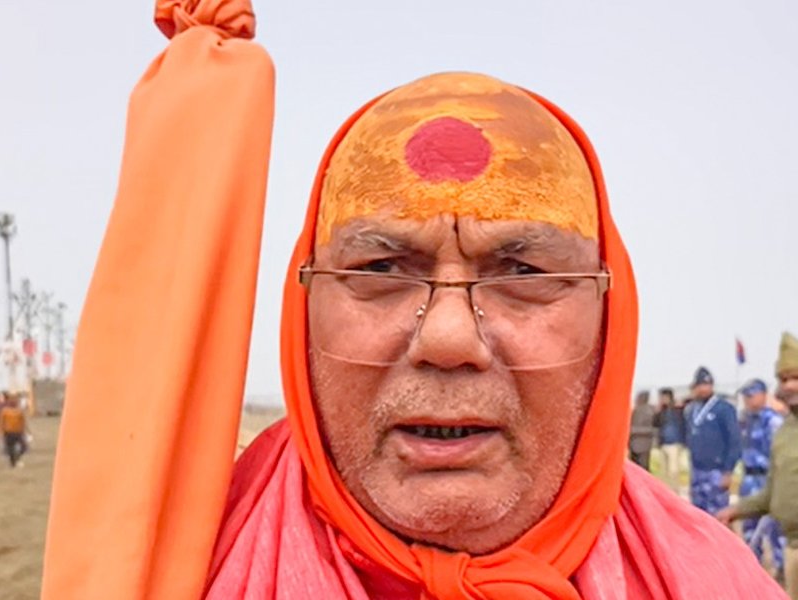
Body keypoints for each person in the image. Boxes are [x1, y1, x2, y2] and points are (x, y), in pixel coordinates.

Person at [42, 2, 786, 599]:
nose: (451, 337)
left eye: (523, 272)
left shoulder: (713, 581)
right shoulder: (177, 566)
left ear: (609, 321)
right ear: (302, 309)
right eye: (382, 265)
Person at [719, 333, 798, 599]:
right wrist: (736, 509)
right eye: (784, 379)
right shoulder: (785, 431)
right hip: (794, 549)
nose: (789, 386)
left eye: (796, 378)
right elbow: (772, 493)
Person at [738, 378, 786, 576]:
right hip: (749, 480)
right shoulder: (744, 421)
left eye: (751, 395)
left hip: (768, 479)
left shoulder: (774, 421)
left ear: (763, 395)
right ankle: (752, 570)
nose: (748, 400)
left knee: (775, 530)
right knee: (749, 530)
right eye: (745, 396)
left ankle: (782, 569)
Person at [685, 366, 742, 515]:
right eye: (700, 386)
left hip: (717, 471)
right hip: (698, 471)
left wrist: (728, 471)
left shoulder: (724, 409)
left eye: (707, 385)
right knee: (698, 515)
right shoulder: (691, 410)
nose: (704, 389)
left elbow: (734, 440)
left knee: (718, 515)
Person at [653, 387, 686, 493]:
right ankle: (666, 492)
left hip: (674, 443)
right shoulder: (661, 412)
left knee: (673, 471)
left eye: (664, 397)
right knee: (663, 471)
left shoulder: (677, 410)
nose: (662, 399)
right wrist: (657, 412)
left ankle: (675, 492)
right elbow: (655, 424)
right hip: (663, 443)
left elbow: (683, 425)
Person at [629, 390, 656, 470]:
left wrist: (633, 430)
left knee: (643, 468)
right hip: (634, 444)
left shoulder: (649, 412)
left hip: (643, 445)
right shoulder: (635, 410)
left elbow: (651, 429)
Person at [0, 392, 28, 468]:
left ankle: (17, 458)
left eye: (15, 400)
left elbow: (23, 421)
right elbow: (2, 422)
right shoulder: (5, 411)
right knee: (10, 449)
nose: (13, 402)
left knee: (24, 447)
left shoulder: (19, 411)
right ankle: (13, 463)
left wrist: (24, 431)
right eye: (11, 400)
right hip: (8, 432)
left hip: (18, 432)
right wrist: (1, 431)